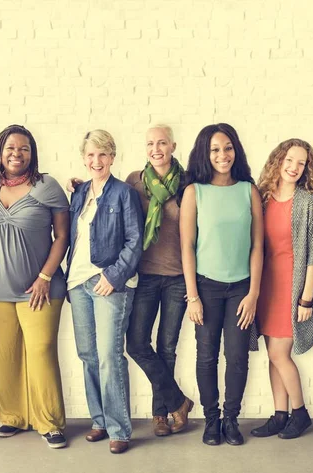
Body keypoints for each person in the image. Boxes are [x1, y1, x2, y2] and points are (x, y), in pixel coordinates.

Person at [0, 124, 70, 449]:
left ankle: (49, 422)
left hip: (40, 290)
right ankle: (13, 417)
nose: (16, 154)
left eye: (24, 149)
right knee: (5, 356)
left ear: (32, 154)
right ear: (0, 153)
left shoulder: (47, 187)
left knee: (41, 352)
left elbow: (63, 237)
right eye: (10, 148)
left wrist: (45, 277)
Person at [180, 123, 264, 446]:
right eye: (215, 149)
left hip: (242, 288)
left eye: (227, 148)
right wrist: (192, 296)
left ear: (236, 150)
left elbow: (258, 246)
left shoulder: (248, 190)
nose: (222, 155)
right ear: (205, 153)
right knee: (206, 356)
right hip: (206, 287)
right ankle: (211, 420)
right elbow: (187, 245)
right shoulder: (195, 192)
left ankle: (231, 419)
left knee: (238, 356)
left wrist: (254, 292)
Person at [66, 130, 144, 454]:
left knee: (110, 357)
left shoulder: (124, 193)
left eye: (102, 155)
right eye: (90, 155)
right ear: (84, 158)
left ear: (112, 157)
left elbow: (135, 241)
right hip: (78, 282)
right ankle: (99, 420)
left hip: (109, 282)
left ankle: (119, 429)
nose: (96, 161)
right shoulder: (79, 193)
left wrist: (113, 276)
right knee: (88, 356)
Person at [250, 139, 313, 440]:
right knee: (273, 353)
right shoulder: (263, 197)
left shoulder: (306, 201)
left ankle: (300, 413)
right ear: (278, 161)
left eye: (301, 163)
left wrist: (306, 297)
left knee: (280, 353)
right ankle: (279, 414)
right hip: (266, 285)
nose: (295, 168)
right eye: (290, 160)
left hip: (292, 287)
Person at [124, 125, 194, 437]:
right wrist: (84, 185)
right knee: (137, 343)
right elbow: (113, 202)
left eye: (162, 143)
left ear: (173, 146)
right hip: (146, 275)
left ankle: (160, 416)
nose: (156, 149)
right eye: (150, 143)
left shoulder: (190, 182)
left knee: (167, 347)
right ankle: (179, 401)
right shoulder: (135, 181)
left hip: (179, 277)